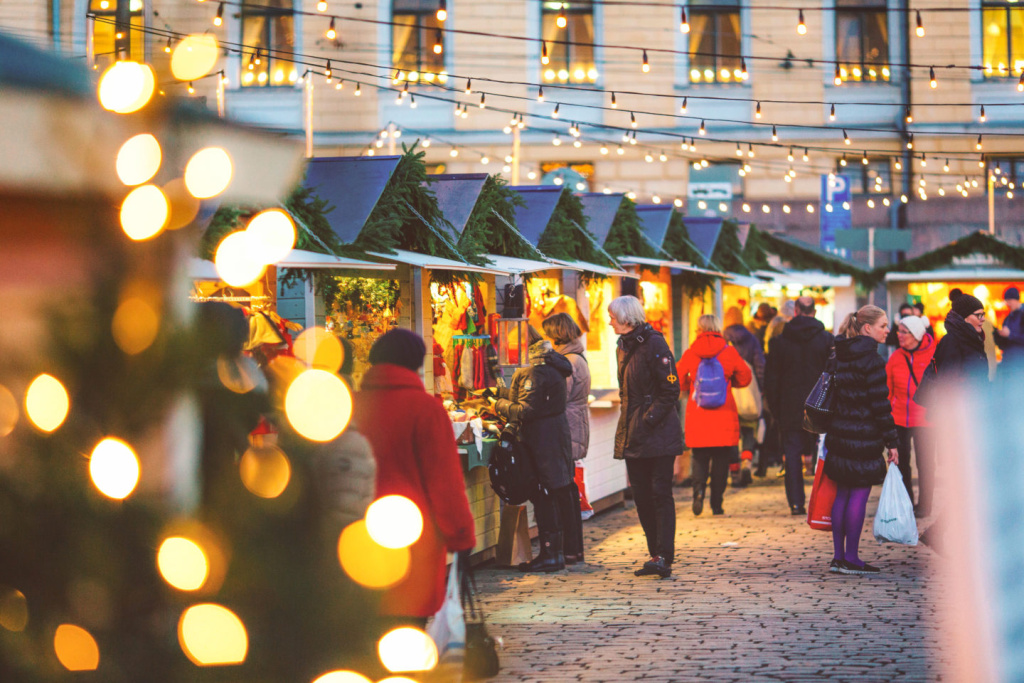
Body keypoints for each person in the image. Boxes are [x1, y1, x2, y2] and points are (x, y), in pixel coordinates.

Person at [353, 329, 476, 623]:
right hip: (413, 539)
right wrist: (461, 535)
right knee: (407, 628)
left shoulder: (350, 406)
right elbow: (444, 482)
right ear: (417, 363)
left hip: (355, 535)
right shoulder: (426, 410)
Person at [610, 295, 682, 579]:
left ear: (627, 319)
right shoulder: (621, 346)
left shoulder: (654, 343)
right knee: (641, 496)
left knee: (660, 493)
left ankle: (664, 555)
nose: (609, 322)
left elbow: (670, 391)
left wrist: (648, 418)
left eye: (613, 317)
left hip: (657, 432)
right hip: (634, 433)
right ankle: (655, 553)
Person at [825, 305, 900, 575]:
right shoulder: (872, 361)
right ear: (867, 328)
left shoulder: (838, 355)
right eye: (883, 326)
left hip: (839, 433)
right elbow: (880, 405)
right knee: (858, 493)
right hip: (864, 436)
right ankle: (852, 558)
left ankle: (838, 556)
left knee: (842, 493)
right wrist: (892, 443)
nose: (887, 330)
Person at [494, 325, 575, 573]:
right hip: (551, 439)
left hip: (542, 442)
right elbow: (533, 400)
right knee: (549, 493)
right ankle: (555, 553)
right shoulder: (550, 366)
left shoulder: (535, 372)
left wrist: (499, 404)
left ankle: (550, 554)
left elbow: (528, 409)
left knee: (543, 495)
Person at [763, 296, 833, 515]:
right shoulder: (826, 340)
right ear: (814, 311)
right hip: (821, 405)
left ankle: (796, 502)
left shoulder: (780, 342)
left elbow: (771, 380)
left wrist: (775, 408)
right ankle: (825, 502)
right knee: (825, 450)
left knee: (792, 453)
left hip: (790, 406)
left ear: (795, 311)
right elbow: (832, 375)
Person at [677, 314, 752, 516]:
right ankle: (717, 504)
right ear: (718, 328)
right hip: (724, 413)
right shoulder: (729, 352)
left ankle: (698, 492)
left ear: (698, 330)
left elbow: (677, 377)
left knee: (699, 457)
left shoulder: (691, 353)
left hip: (698, 413)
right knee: (721, 461)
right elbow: (745, 377)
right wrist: (728, 384)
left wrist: (690, 386)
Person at [542, 312, 591, 563]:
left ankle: (570, 548)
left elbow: (559, 396)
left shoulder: (568, 362)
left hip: (567, 426)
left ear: (556, 335)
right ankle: (573, 549)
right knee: (568, 488)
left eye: (548, 335)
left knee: (564, 490)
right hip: (575, 423)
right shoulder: (576, 356)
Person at [885, 315, 936, 518]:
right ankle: (906, 502)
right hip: (899, 418)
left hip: (927, 420)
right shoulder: (895, 357)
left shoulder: (933, 354)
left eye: (903, 332)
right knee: (901, 462)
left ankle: (925, 506)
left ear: (915, 334)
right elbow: (887, 390)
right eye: (898, 331)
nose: (899, 335)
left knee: (926, 464)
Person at [723, 306, 765, 486]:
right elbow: (760, 365)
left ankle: (734, 470)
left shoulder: (722, 338)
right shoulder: (751, 338)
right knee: (748, 427)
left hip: (728, 391)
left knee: (732, 432)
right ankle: (747, 463)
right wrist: (760, 388)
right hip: (748, 388)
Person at [996, 287, 1024, 371]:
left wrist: (1010, 335)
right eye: (1006, 301)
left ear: (1016, 299)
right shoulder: (1008, 318)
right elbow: (1005, 343)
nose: (1007, 304)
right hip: (1009, 362)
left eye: (1009, 300)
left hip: (1020, 364)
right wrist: (998, 336)